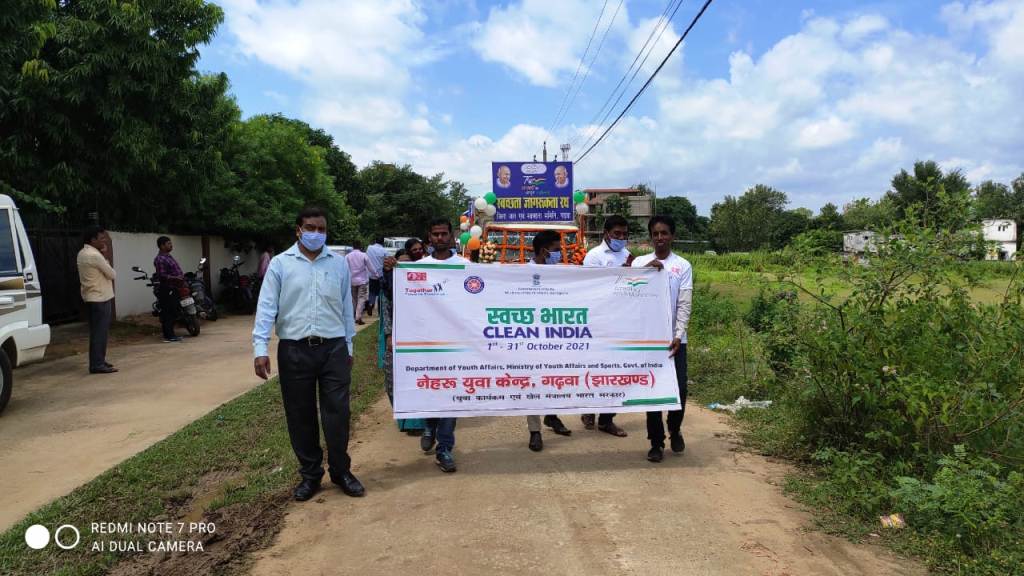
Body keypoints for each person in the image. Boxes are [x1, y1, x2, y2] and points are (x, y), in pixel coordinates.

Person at [253, 206, 364, 501]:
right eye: (311, 228)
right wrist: (260, 348)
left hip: (334, 348)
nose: (316, 233)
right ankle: (311, 475)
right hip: (294, 350)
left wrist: (349, 346)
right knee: (300, 415)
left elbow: (346, 307)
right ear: (298, 230)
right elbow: (266, 307)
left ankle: (341, 471)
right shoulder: (281, 264)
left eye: (321, 229)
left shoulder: (338, 264)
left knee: (338, 413)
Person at [631, 215, 693, 463]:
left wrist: (678, 334)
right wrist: (647, 272)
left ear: (672, 236)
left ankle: (675, 428)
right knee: (652, 389)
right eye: (655, 234)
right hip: (649, 339)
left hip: (676, 340)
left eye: (664, 233)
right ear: (651, 237)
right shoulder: (639, 263)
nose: (660, 238)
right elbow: (627, 292)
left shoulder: (682, 266)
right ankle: (656, 442)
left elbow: (684, 303)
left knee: (680, 388)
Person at [416, 218, 469, 473]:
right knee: (430, 387)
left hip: (456, 343)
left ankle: (444, 448)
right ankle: (429, 424)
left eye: (444, 234)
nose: (439, 238)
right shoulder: (417, 268)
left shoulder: (465, 266)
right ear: (429, 236)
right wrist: (390, 270)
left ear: (451, 236)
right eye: (435, 234)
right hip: (425, 342)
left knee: (451, 395)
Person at [579, 214, 633, 436]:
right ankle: (588, 407)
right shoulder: (594, 256)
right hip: (599, 321)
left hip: (622, 322)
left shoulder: (629, 256)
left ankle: (607, 418)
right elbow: (592, 288)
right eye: (617, 234)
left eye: (624, 234)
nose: (621, 238)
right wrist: (622, 275)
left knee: (617, 372)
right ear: (606, 234)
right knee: (595, 369)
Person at [524, 230, 572, 451]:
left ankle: (551, 416)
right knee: (533, 383)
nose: (560, 253)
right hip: (531, 337)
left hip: (556, 336)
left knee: (555, 378)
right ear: (544, 251)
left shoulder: (559, 273)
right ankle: (534, 431)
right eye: (556, 249)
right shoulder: (523, 273)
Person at [77, 225, 117, 374]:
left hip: (92, 297)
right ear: (93, 240)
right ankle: (97, 364)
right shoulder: (95, 255)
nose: (104, 240)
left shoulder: (82, 253)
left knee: (97, 332)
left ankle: (98, 360)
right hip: (100, 297)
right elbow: (112, 274)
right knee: (100, 332)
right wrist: (105, 256)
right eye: (101, 238)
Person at [153, 236, 185, 343]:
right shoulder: (160, 259)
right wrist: (176, 278)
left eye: (171, 243)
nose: (171, 245)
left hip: (174, 287)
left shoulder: (168, 256)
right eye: (168, 244)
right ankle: (169, 336)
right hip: (167, 288)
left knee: (173, 311)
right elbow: (162, 275)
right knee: (168, 312)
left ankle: (170, 335)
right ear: (162, 246)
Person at [346, 240, 372, 325]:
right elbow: (370, 267)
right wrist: (376, 274)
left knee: (353, 299)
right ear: (360, 246)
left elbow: (345, 268)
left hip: (351, 281)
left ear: (352, 246)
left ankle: (352, 316)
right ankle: (358, 317)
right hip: (362, 281)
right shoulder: (364, 255)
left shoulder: (347, 256)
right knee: (361, 298)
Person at [366, 236, 387, 317]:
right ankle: (379, 310)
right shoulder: (384, 251)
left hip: (371, 274)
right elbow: (387, 259)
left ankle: (371, 304)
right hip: (381, 274)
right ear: (383, 242)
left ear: (375, 240)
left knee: (372, 291)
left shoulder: (369, 248)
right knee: (381, 292)